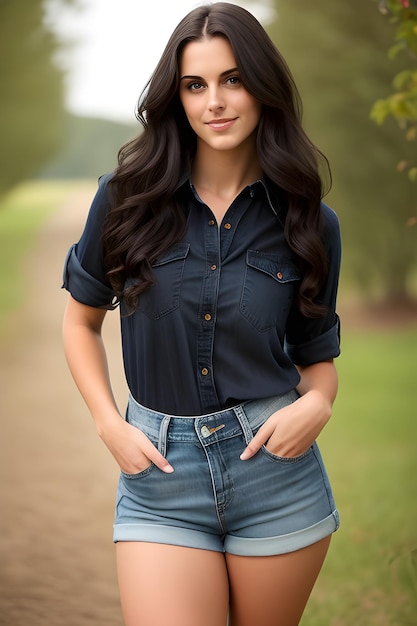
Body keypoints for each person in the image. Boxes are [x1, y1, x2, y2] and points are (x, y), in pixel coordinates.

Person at [62, 3, 341, 625]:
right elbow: (80, 321)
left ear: (264, 88)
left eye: (232, 79)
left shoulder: (310, 223)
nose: (214, 101)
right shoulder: (126, 199)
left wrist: (318, 404)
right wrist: (109, 423)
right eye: (195, 84)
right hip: (160, 480)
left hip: (276, 475)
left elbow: (316, 359)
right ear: (177, 97)